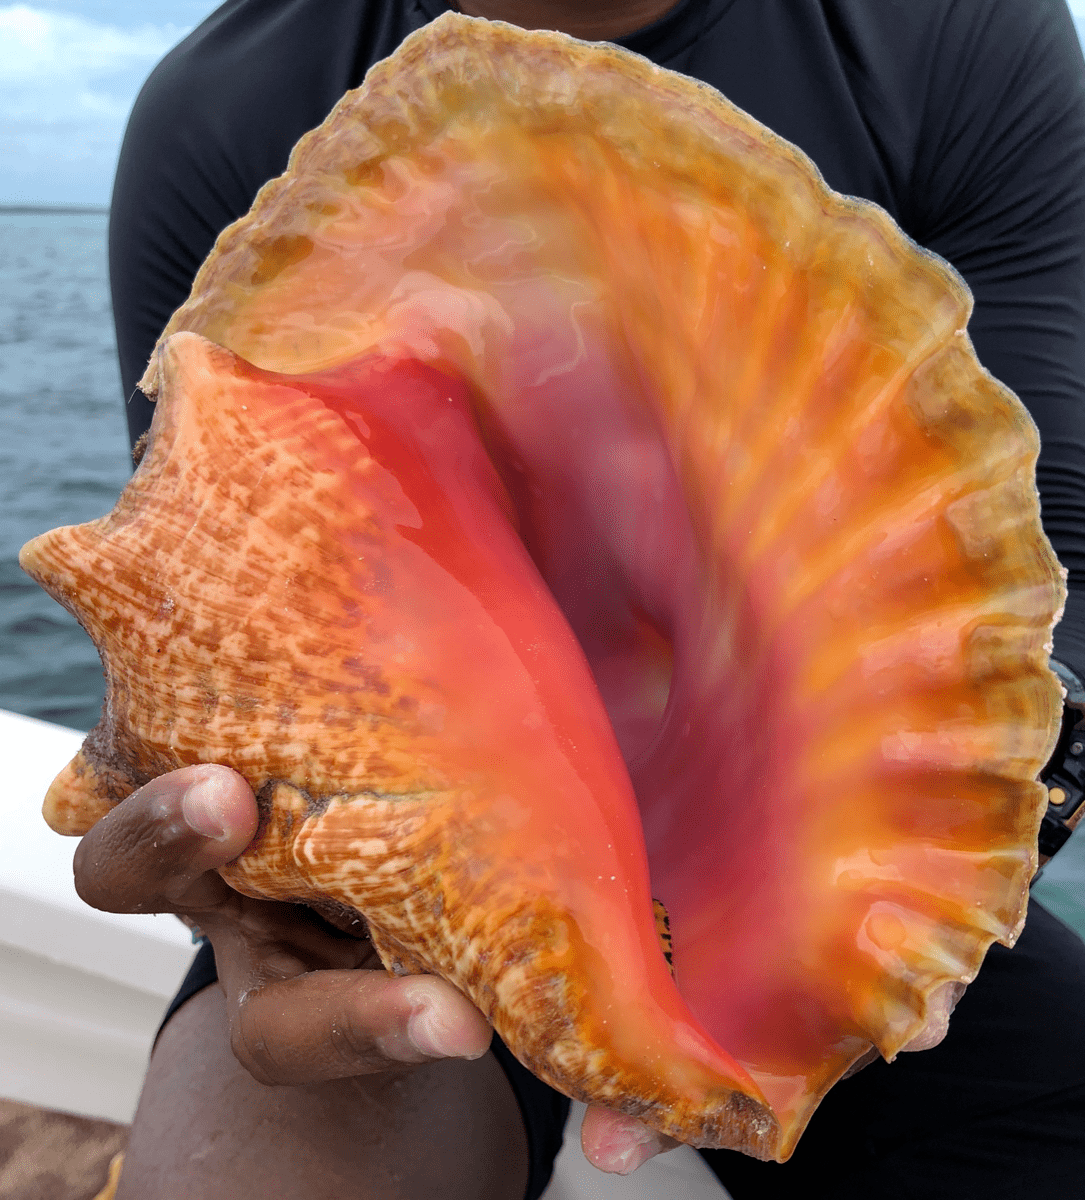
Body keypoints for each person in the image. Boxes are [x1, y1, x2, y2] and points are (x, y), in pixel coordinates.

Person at [86, 0, 1085, 1196]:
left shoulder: (950, 37)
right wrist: (229, 896)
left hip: (778, 914)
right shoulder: (218, 108)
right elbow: (200, 496)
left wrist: (967, 829)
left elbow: (1047, 553)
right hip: (364, 915)